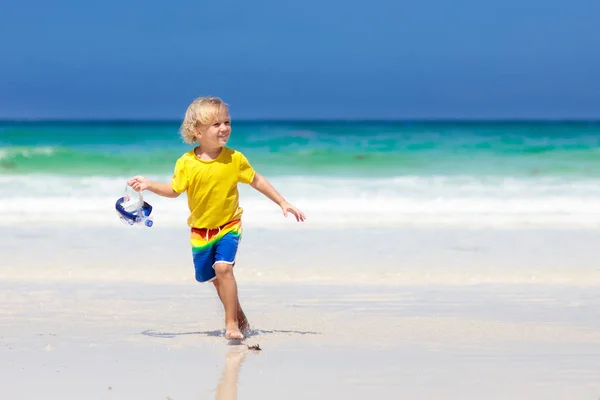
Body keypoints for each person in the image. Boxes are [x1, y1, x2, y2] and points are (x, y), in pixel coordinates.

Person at [128, 96, 306, 340]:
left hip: (229, 225)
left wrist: (282, 202)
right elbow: (173, 191)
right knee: (212, 277)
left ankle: (231, 324)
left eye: (227, 121)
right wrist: (149, 185)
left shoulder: (234, 159)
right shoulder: (186, 163)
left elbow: (256, 180)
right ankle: (239, 315)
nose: (224, 128)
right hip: (200, 232)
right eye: (216, 124)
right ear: (196, 131)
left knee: (223, 269)